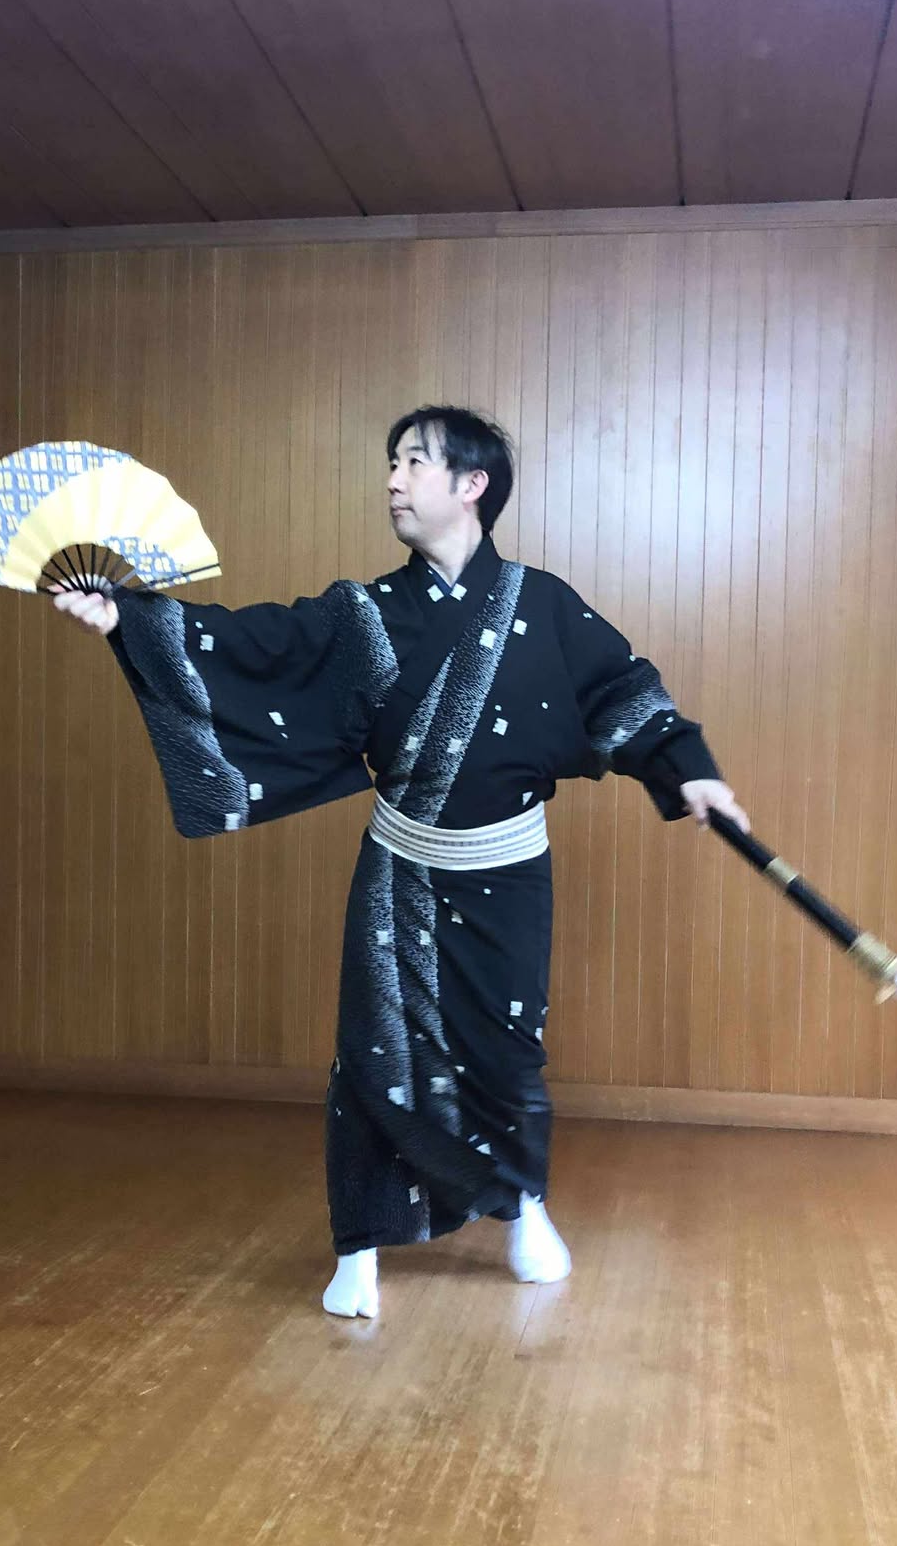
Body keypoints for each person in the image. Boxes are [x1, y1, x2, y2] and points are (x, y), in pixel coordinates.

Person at [52, 408, 748, 1318]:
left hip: (509, 874)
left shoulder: (544, 605)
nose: (392, 479)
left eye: (415, 462)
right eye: (392, 461)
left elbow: (624, 692)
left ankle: (522, 1205)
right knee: (376, 1051)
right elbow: (256, 646)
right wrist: (128, 619)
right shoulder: (366, 615)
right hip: (401, 871)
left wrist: (689, 770)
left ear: (472, 485)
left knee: (505, 1050)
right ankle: (360, 1245)